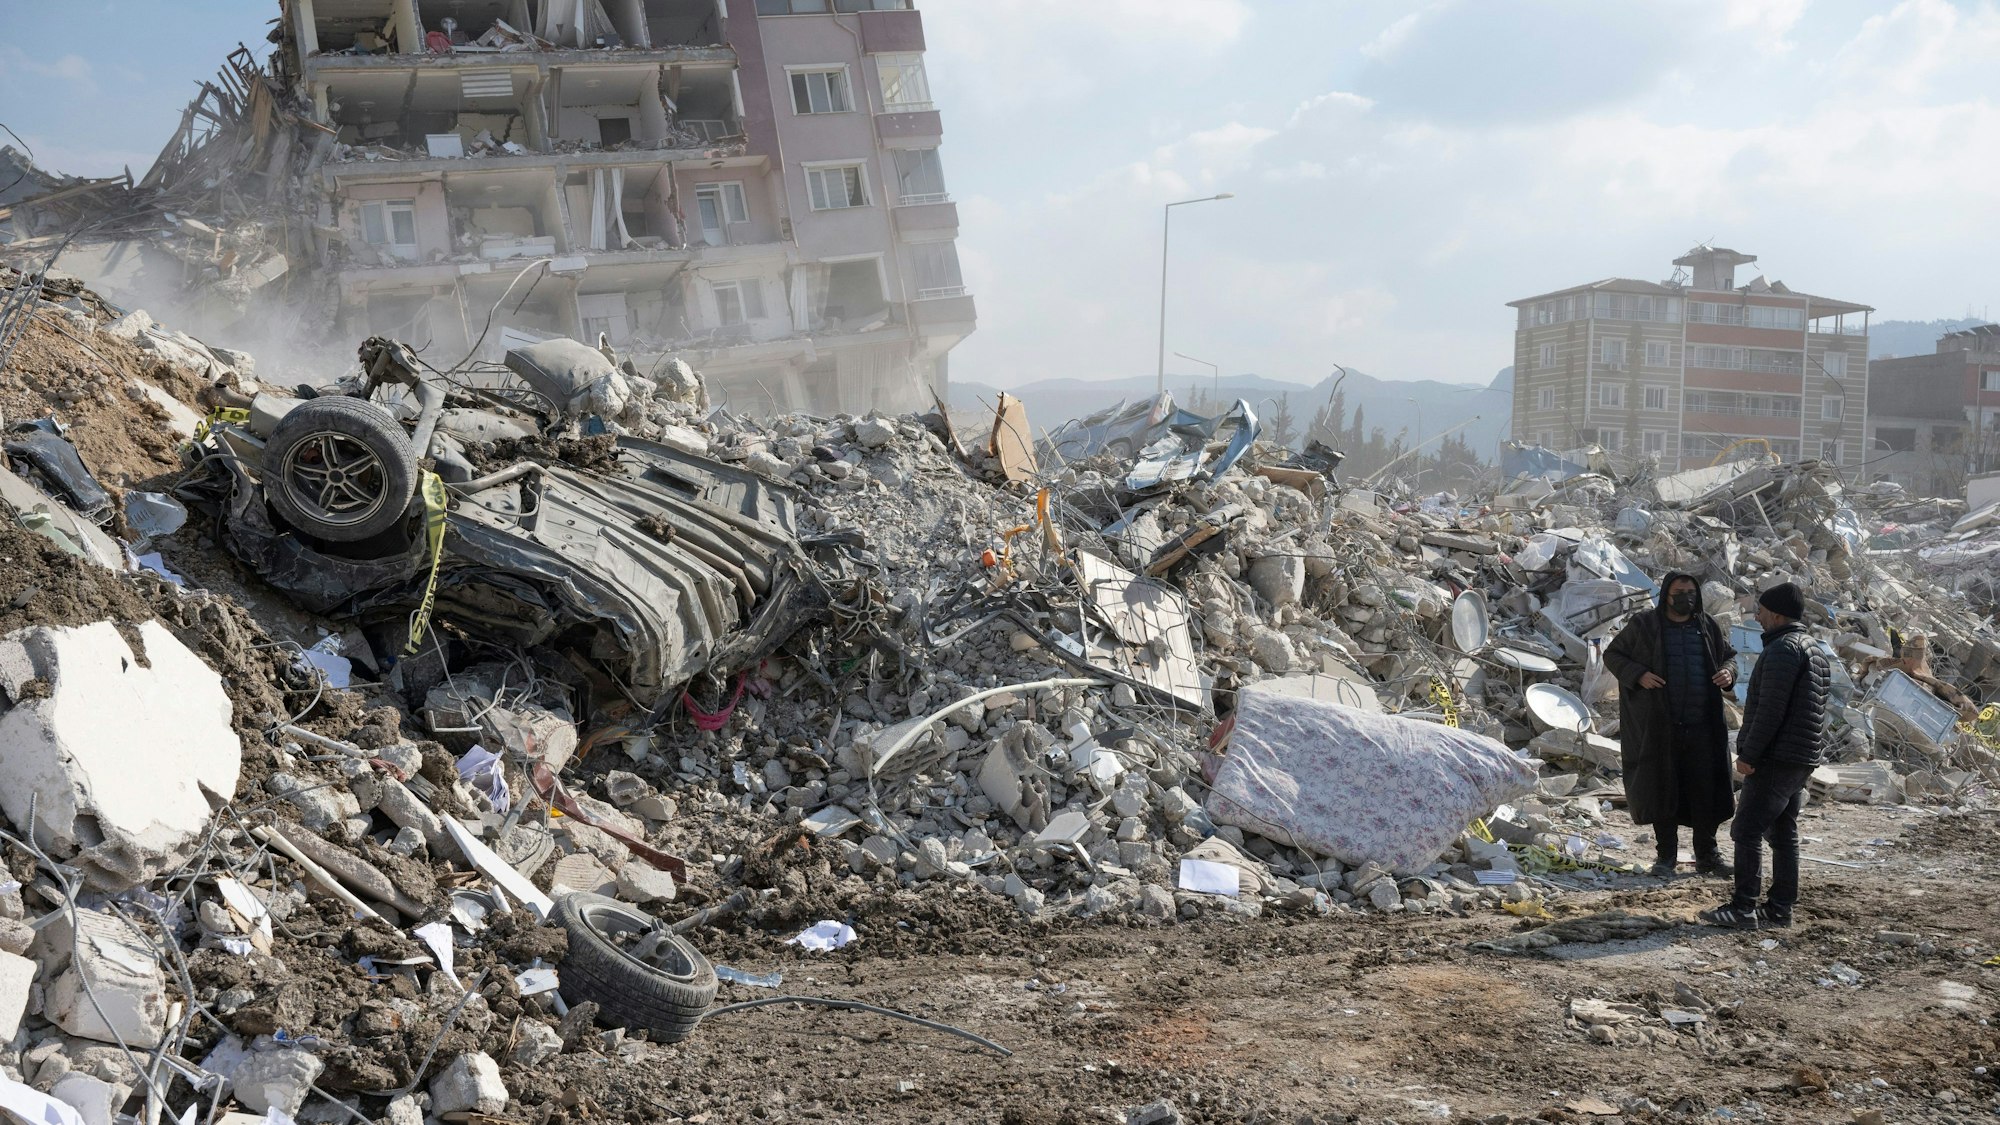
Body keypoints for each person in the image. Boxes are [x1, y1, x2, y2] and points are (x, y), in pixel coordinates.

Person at [1700, 582, 1828, 930]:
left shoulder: (1783, 650)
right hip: (1801, 757)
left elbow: (1771, 710)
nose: (1756, 616)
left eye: (1760, 610)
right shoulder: (1813, 649)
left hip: (1776, 757)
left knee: (1746, 830)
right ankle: (1780, 907)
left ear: (1775, 613)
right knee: (1782, 830)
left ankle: (1743, 908)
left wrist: (1749, 754)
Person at [1603, 572, 1738, 878]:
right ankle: (1666, 858)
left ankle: (1707, 855)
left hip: (1702, 727)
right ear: (1667, 593)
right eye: (1680, 591)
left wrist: (1728, 673)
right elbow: (1613, 654)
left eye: (1691, 592)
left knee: (1705, 791)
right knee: (1663, 789)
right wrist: (1638, 674)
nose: (1686, 597)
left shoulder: (1706, 625)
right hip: (1661, 727)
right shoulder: (1645, 624)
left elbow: (1729, 657)